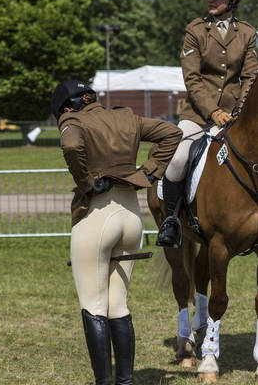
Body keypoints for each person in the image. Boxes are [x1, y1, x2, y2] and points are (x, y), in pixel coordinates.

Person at [51, 79, 183, 385]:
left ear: (67, 107)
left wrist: (85, 182)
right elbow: (172, 133)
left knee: (93, 305)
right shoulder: (126, 117)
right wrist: (147, 172)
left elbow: (71, 144)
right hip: (130, 218)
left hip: (97, 216)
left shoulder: (73, 119)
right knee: (118, 304)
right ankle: (125, 381)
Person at [157, 0, 258, 248]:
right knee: (178, 159)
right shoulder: (196, 30)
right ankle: (171, 221)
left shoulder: (247, 32)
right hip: (198, 115)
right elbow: (192, 78)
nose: (210, 1)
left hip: (235, 116)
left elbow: (250, 77)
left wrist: (239, 111)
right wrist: (213, 111)